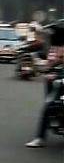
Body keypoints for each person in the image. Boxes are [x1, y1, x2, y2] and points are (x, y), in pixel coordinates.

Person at [26, 19, 64, 148]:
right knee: (49, 105)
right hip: (59, 78)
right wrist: (49, 68)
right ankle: (40, 138)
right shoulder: (55, 48)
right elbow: (50, 62)